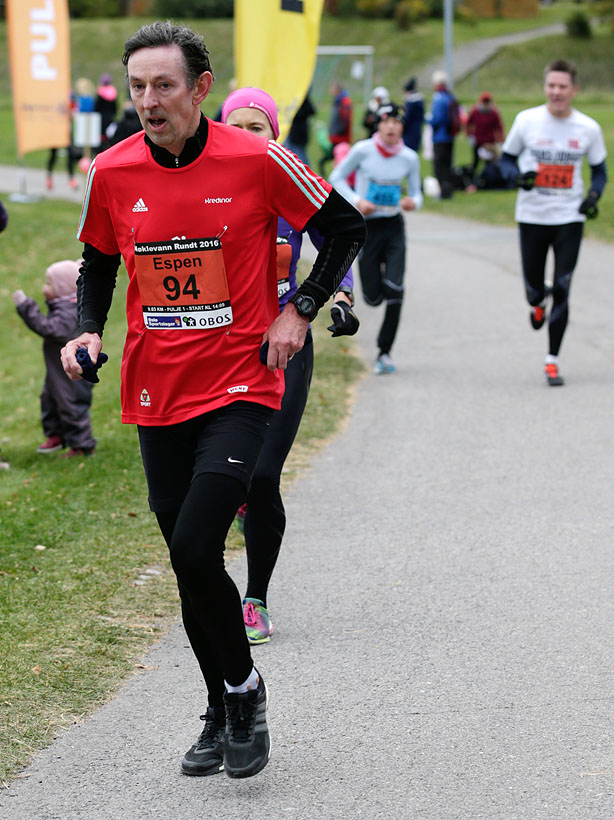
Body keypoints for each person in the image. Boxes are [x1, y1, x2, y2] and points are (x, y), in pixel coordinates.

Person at [60, 21, 365, 780]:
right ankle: (220, 706)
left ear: (200, 88)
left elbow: (345, 227)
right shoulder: (112, 170)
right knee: (188, 565)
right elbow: (98, 262)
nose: (148, 101)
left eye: (164, 85)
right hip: (156, 390)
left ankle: (243, 690)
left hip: (240, 383)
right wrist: (87, 329)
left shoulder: (257, 158)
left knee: (198, 546)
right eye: (138, 86)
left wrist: (300, 309)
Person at [221, 87, 359, 645]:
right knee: (215, 480)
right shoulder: (206, 186)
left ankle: (254, 598)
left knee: (260, 477)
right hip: (220, 347)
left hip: (284, 343)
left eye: (257, 127)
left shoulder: (290, 180)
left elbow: (338, 237)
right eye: (236, 126)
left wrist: (341, 297)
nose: (247, 137)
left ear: (274, 136)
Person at [500, 58, 607, 387]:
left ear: (574, 90)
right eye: (551, 85)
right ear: (545, 87)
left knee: (563, 287)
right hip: (532, 217)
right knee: (534, 289)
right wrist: (518, 178)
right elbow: (506, 160)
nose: (556, 92)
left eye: (563, 86)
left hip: (569, 219)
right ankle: (536, 302)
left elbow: (599, 172)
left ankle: (552, 360)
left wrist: (593, 197)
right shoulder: (526, 120)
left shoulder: (588, 128)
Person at [329, 102, 422, 375]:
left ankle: (384, 351)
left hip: (393, 226)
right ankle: (379, 291)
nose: (391, 127)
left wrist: (412, 202)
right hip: (367, 227)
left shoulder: (409, 157)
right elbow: (336, 177)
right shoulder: (363, 150)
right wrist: (357, 201)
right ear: (378, 125)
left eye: (396, 122)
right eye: (386, 122)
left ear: (402, 127)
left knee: (396, 289)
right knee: (372, 297)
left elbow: (417, 193)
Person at [13, 259, 97, 457]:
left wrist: (26, 307)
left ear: (63, 288)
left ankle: (82, 445)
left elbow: (49, 328)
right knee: (49, 400)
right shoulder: (64, 306)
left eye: (49, 284)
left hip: (71, 373)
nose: (45, 288)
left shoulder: (70, 312)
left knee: (71, 405)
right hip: (57, 372)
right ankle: (56, 435)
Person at [428, 69, 456, 200]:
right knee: (448, 164)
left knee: (439, 166)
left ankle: (444, 191)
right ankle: (448, 189)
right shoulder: (450, 97)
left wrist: (428, 120)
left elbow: (437, 119)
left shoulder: (438, 98)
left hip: (440, 136)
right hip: (450, 136)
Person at [466, 92, 504, 175]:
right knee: (475, 162)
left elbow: (499, 127)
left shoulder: (494, 113)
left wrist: (500, 140)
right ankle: (472, 177)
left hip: (489, 143)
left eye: (487, 101)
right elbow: (468, 124)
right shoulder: (475, 112)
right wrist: (470, 136)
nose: (486, 103)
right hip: (478, 141)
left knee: (490, 163)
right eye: (484, 101)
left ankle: (488, 177)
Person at [319, 81, 352, 176]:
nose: (330, 91)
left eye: (332, 88)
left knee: (338, 163)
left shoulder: (345, 102)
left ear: (337, 90)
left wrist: (337, 132)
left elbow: (345, 120)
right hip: (335, 138)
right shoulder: (337, 101)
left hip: (340, 139)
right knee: (333, 162)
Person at [284, 92, 316, 167]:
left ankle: (306, 172)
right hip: (295, 133)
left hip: (297, 134)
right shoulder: (299, 98)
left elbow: (311, 111)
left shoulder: (301, 99)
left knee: (300, 155)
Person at [94, 73, 118, 153]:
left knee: (101, 136)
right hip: (110, 118)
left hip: (101, 119)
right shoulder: (113, 92)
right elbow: (115, 108)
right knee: (109, 135)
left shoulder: (100, 92)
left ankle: (100, 151)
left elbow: (96, 107)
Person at [402, 77, 425, 153]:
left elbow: (407, 117)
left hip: (409, 132)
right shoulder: (420, 99)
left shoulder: (411, 101)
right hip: (417, 129)